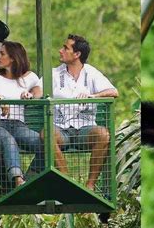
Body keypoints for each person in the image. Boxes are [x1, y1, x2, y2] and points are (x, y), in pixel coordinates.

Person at [39, 34, 118, 190]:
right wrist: (29, 93)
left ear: (77, 54)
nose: (60, 50)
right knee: (46, 133)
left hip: (84, 130)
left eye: (65, 48)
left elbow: (114, 92)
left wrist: (93, 96)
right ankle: (67, 181)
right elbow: (36, 90)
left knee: (103, 134)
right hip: (61, 130)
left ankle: (90, 186)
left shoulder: (91, 73)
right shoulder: (54, 74)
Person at [0, 41, 42, 189]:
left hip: (19, 125)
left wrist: (30, 95)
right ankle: (18, 180)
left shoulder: (29, 77)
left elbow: (39, 90)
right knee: (8, 140)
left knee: (45, 144)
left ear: (13, 58)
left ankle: (29, 179)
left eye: (2, 54)